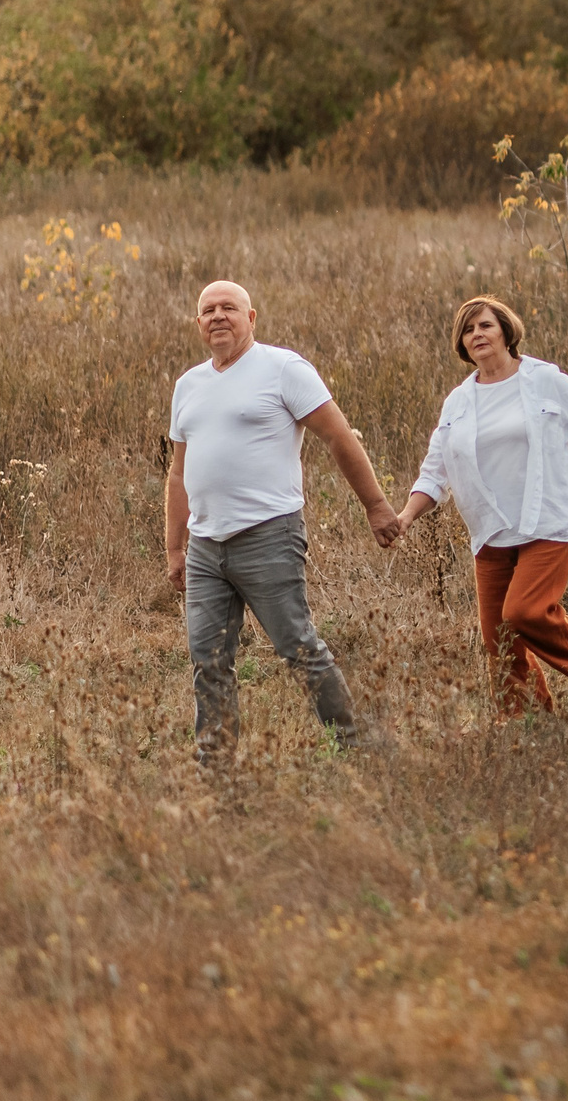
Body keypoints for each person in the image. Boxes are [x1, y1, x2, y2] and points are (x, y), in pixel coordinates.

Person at [392, 296, 568, 713]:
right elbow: (435, 472)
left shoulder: (545, 381)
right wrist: (405, 517)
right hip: (490, 531)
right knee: (500, 641)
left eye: (485, 325)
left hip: (545, 522)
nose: (477, 335)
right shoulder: (458, 403)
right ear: (461, 344)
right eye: (468, 330)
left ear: (506, 330)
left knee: (523, 611)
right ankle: (527, 724)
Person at [165, 279, 400, 770]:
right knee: (207, 660)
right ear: (198, 323)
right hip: (207, 548)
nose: (218, 316)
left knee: (298, 648)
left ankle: (358, 748)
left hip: (268, 535)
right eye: (208, 310)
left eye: (230, 307)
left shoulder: (282, 368)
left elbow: (338, 437)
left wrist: (376, 506)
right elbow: (178, 471)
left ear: (252, 318)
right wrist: (174, 546)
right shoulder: (188, 385)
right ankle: (215, 767)